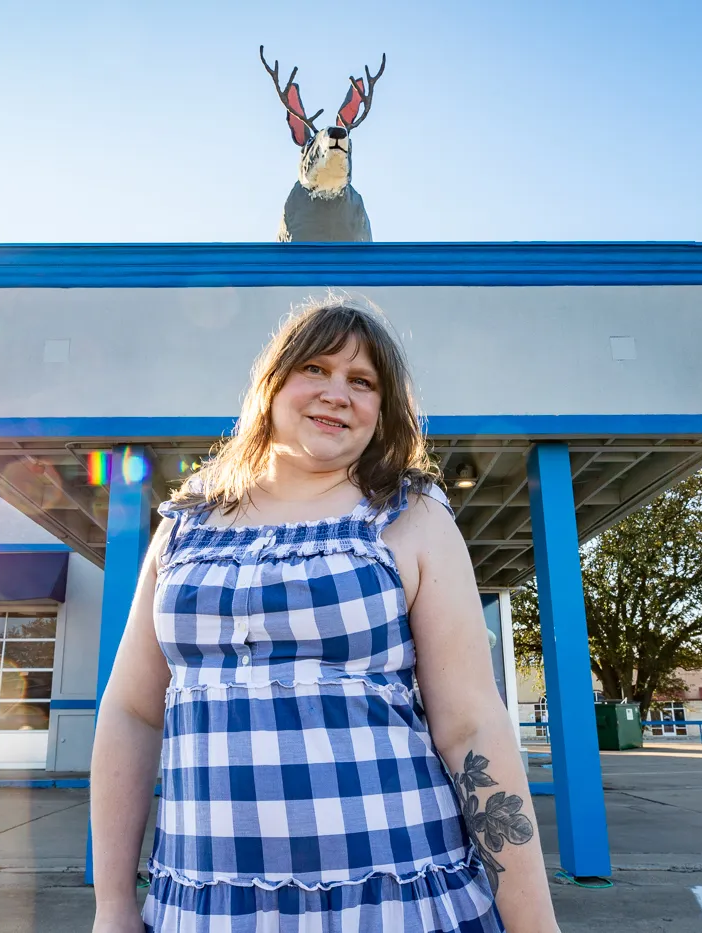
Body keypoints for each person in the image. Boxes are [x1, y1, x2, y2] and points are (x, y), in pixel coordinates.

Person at [90, 297, 560, 932]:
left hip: (397, 898)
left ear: (382, 409)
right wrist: (113, 905)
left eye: (362, 381)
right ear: (273, 384)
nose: (337, 393)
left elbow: (473, 726)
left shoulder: (411, 516)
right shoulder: (184, 526)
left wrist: (535, 926)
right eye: (315, 369)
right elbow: (132, 713)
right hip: (206, 907)